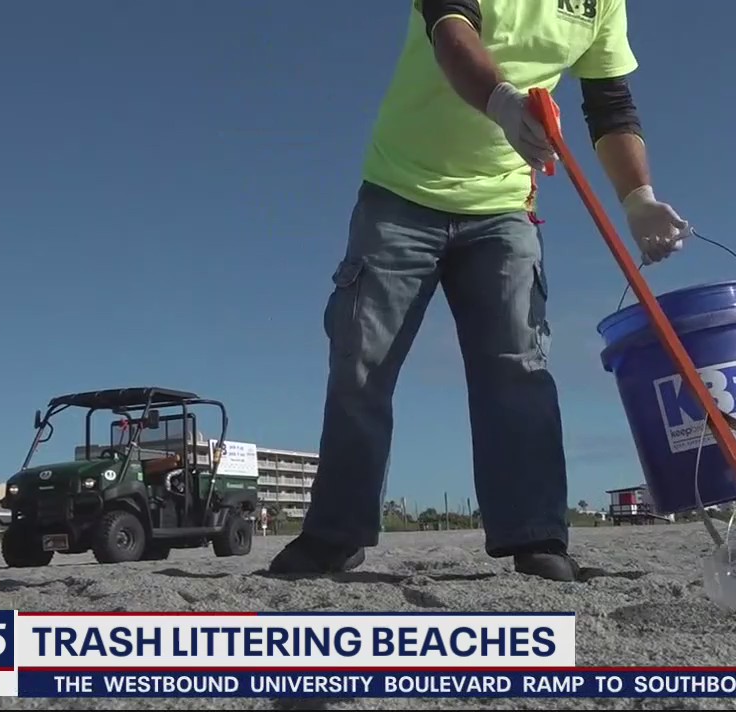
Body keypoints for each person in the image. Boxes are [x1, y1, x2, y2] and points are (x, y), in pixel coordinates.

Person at [268, 0, 689, 582]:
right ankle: (335, 533)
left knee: (518, 365)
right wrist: (502, 100)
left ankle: (536, 534)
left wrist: (637, 198)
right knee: (361, 359)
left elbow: (610, 105)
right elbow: (451, 31)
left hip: (503, 207)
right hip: (401, 191)